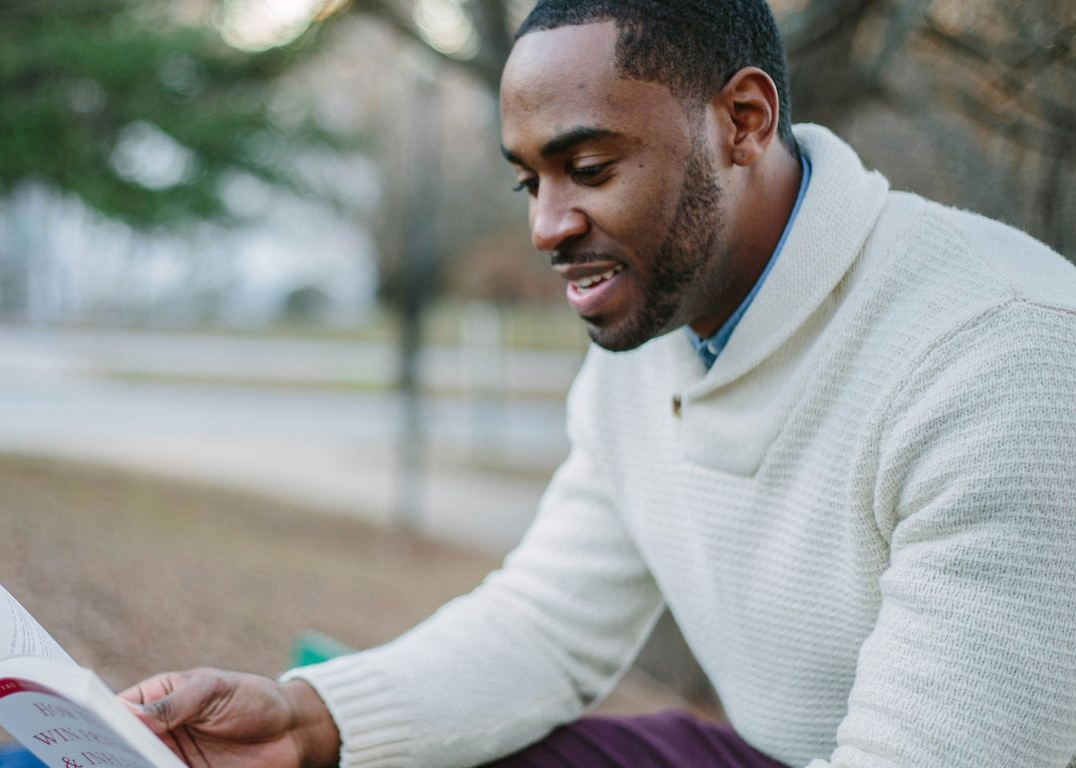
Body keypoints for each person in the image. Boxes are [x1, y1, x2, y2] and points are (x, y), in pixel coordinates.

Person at [118, 2, 1076, 766]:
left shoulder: (1000, 356)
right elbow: (545, 627)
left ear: (743, 121)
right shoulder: (656, 329)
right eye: (529, 181)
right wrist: (305, 721)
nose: (546, 226)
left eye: (587, 167)